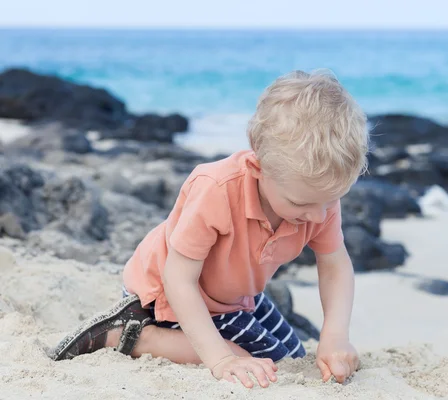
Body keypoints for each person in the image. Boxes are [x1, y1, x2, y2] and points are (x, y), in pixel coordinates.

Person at [51, 69, 370, 389]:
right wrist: (221, 359)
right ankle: (136, 337)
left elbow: (334, 265)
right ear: (259, 168)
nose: (317, 216)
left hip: (236, 293)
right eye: (300, 204)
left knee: (294, 355)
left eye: (330, 201)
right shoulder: (216, 189)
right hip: (168, 293)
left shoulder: (318, 196)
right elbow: (177, 279)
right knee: (261, 361)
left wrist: (335, 335)